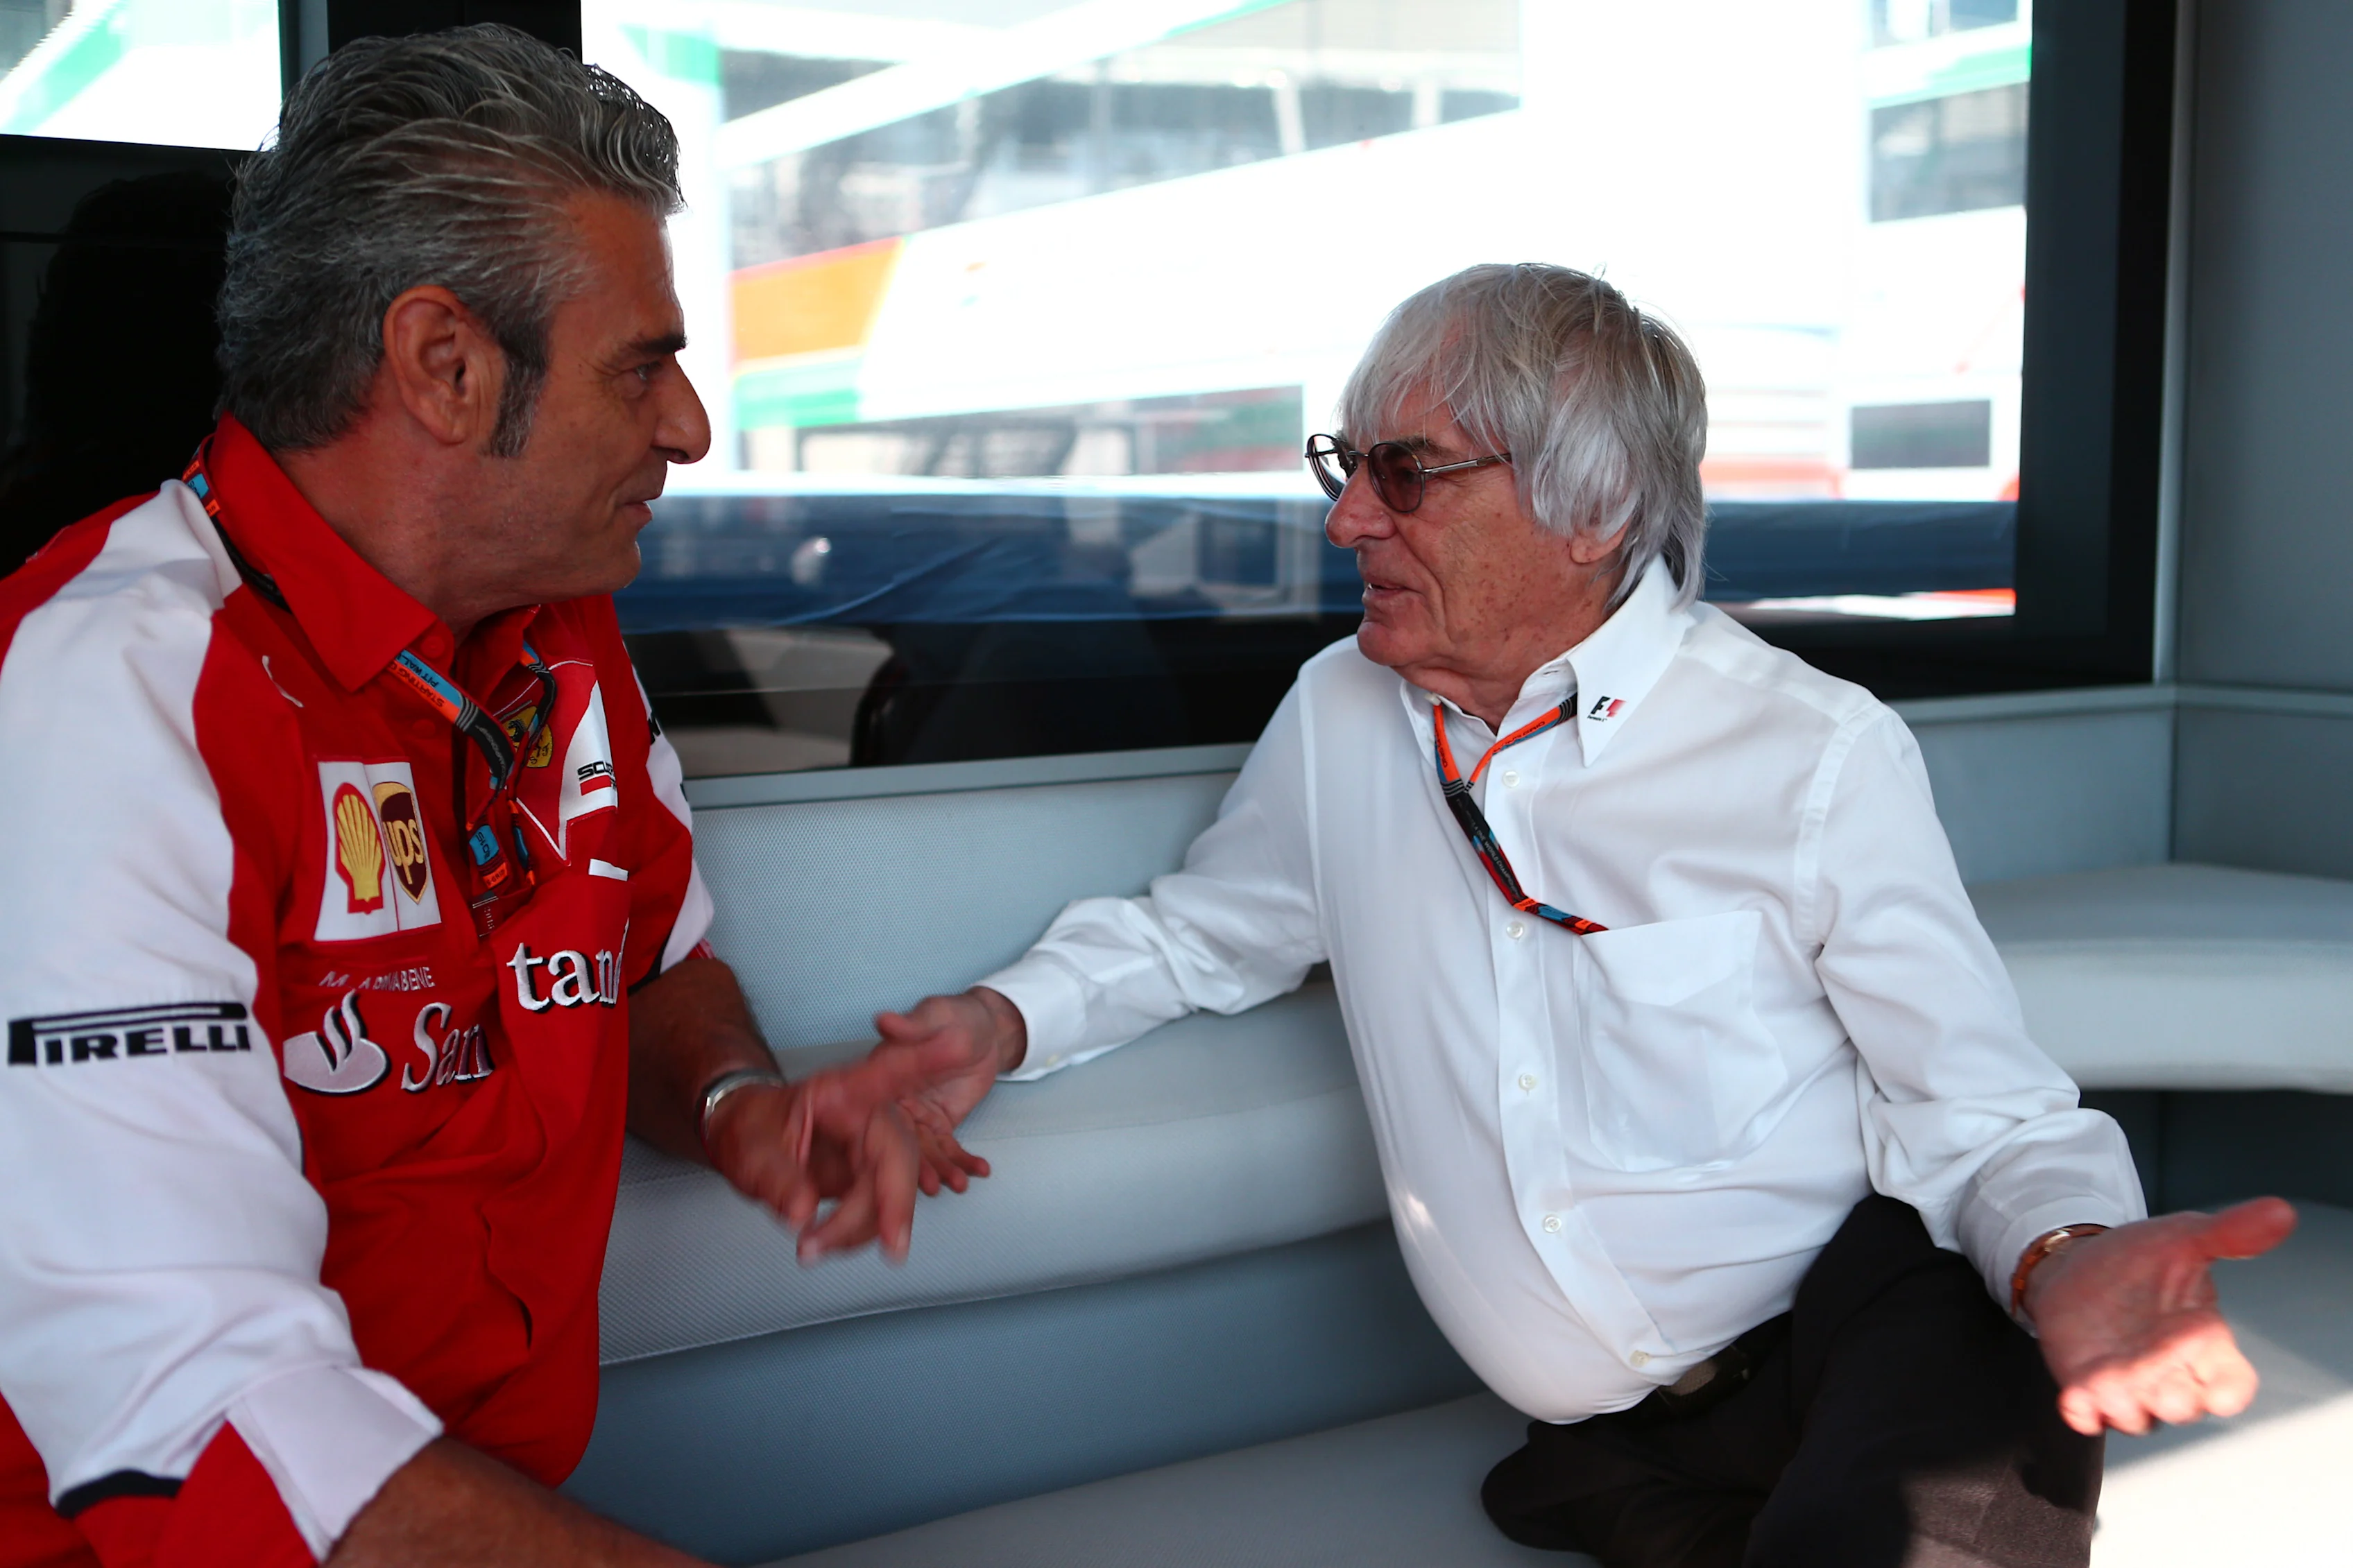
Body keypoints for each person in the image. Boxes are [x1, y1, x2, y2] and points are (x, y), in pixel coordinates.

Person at [862, 263, 2298, 1567]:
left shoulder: (1809, 750)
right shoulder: (1340, 714)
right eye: (1345, 465)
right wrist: (1004, 1018)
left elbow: (1980, 1113)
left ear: (1592, 508)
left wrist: (2060, 1255)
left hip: (1868, 1332)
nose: (1347, 516)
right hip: (1611, 1445)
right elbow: (1208, 928)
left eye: (1407, 473)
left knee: (1939, 1444)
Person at [0, 27, 973, 1568]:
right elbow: (204, 1409)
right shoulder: (102, 694)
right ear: (444, 364)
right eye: (641, 363)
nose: (689, 427)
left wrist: (735, 1104)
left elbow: (650, 965)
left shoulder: (562, 635)